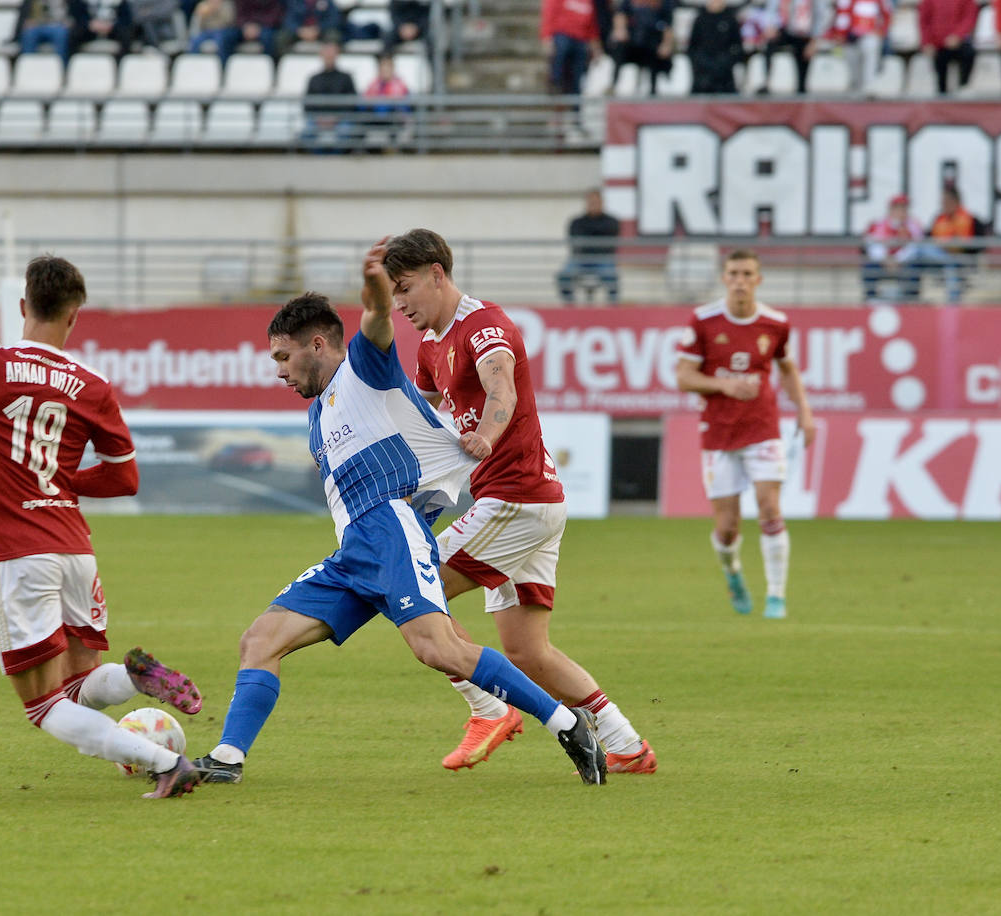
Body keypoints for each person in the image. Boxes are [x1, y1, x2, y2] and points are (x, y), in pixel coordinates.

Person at [188, 241, 610, 788]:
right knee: (259, 640)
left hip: (389, 530)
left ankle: (566, 722)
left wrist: (376, 287)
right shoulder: (319, 414)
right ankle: (227, 759)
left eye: (283, 358)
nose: (279, 372)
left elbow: (376, 318)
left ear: (318, 344)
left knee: (438, 649)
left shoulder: (365, 370)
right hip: (355, 552)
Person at [0, 211, 207, 799]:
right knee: (82, 683)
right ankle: (134, 677)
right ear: (73, 314)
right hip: (74, 550)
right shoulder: (92, 384)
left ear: (22, 307)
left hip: (17, 555)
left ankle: (164, 764)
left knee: (44, 707)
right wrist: (62, 481)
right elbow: (126, 479)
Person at [388, 228, 655, 774]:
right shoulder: (431, 347)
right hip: (531, 501)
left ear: (437, 274)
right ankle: (628, 745)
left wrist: (485, 436)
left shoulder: (482, 325)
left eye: (405, 287)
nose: (399, 303)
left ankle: (489, 709)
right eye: (392, 292)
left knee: (411, 592)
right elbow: (425, 412)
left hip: (515, 499)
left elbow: (501, 391)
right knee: (528, 651)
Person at [674, 249, 815, 620]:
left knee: (770, 508)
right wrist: (724, 385)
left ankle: (777, 596)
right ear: (724, 278)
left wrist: (804, 410)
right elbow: (683, 376)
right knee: (726, 528)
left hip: (762, 427)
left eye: (747, 274)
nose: (740, 280)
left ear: (758, 279)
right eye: (733, 273)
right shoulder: (703, 320)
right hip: (719, 432)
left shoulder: (775, 323)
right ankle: (733, 573)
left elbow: (787, 368)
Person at [861, 194, 944, 303]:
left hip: (905, 263)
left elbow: (915, 246)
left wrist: (898, 259)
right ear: (891, 209)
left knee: (914, 268)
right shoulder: (878, 224)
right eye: (898, 207)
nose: (901, 211)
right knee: (869, 268)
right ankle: (871, 298)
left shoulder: (913, 225)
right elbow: (872, 244)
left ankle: (911, 299)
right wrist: (885, 259)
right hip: (883, 263)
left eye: (904, 207)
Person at [556, 188, 620, 304]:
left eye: (596, 202)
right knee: (563, 276)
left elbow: (610, 239)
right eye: (591, 202)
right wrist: (597, 238)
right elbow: (575, 241)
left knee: (612, 277)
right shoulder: (576, 221)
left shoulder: (612, 221)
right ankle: (570, 304)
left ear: (602, 203)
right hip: (581, 259)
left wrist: (590, 239)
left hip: (602, 260)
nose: (594, 205)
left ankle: (613, 306)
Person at [758, 0, 831, 94]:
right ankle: (766, 82)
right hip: (786, 30)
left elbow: (821, 16)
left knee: (804, 60)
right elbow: (771, 11)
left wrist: (814, 41)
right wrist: (770, 26)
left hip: (805, 35)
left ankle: (801, 88)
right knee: (770, 45)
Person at [928, 185, 985, 302]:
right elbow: (929, 239)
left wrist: (959, 247)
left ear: (956, 201)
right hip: (938, 260)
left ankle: (953, 303)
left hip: (961, 260)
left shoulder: (972, 220)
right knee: (920, 251)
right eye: (942, 202)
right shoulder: (938, 219)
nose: (943, 204)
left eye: (946, 201)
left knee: (951, 264)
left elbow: (980, 245)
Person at [608, 0, 676, 95]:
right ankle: (613, 85)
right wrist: (621, 29)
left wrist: (666, 44)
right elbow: (620, 14)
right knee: (619, 48)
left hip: (651, 42)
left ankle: (653, 90)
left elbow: (668, 25)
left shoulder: (665, 3)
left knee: (656, 53)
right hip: (631, 41)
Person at [300, 40, 358, 151]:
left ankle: (337, 159)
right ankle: (319, 158)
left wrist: (335, 118)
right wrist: (320, 118)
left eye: (332, 53)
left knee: (346, 131)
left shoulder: (346, 78)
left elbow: (352, 103)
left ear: (337, 55)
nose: (329, 56)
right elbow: (307, 104)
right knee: (306, 134)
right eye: (327, 53)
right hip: (317, 119)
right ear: (321, 55)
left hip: (341, 119)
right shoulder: (314, 79)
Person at [828, 0, 890, 93]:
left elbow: (886, 14)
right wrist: (840, 34)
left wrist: (882, 31)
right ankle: (855, 86)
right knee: (852, 62)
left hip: (869, 34)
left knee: (871, 49)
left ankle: (869, 86)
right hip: (850, 36)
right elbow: (841, 15)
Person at [541, 0, 601, 97]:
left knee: (580, 64)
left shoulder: (588, 2)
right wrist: (547, 37)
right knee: (563, 46)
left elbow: (592, 26)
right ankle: (555, 81)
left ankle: (576, 100)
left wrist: (596, 47)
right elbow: (549, 14)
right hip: (562, 35)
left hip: (581, 40)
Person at [918, 0, 976, 95]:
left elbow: (969, 17)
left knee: (969, 53)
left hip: (959, 42)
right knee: (940, 65)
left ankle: (963, 85)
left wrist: (957, 35)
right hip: (937, 44)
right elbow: (924, 20)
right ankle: (941, 92)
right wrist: (926, 42)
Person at [687, 0, 743, 94]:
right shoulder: (700, 19)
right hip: (703, 69)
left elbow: (737, 45)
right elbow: (693, 47)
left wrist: (726, 60)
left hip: (724, 69)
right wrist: (702, 62)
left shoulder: (730, 19)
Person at [13, 0, 79, 63]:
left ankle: (62, 68)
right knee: (28, 34)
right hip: (36, 26)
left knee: (61, 34)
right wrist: (26, 23)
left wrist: (69, 22)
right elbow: (24, 16)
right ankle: (28, 67)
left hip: (58, 25)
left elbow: (74, 14)